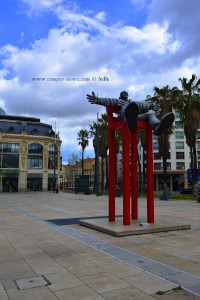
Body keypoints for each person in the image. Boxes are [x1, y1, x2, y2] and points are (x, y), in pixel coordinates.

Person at [87, 91, 174, 135]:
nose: (125, 93)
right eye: (123, 93)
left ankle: (157, 126)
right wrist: (98, 100)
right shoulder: (118, 101)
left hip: (133, 116)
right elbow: (108, 101)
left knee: (149, 114)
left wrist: (151, 106)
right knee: (129, 111)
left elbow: (142, 104)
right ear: (121, 95)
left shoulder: (131, 102)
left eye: (126, 93)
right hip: (124, 117)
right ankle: (130, 121)